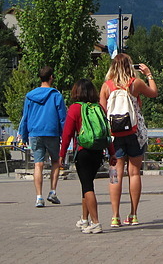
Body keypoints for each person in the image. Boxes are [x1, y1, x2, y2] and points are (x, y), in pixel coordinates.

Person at [99, 53, 158, 228]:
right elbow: (154, 93)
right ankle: (133, 214)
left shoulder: (106, 87)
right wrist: (148, 74)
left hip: (114, 136)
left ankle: (115, 216)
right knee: (134, 173)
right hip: (134, 133)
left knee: (115, 175)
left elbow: (103, 112)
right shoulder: (135, 84)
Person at [59, 78, 108, 234]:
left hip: (83, 151)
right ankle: (84, 219)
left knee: (88, 187)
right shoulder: (99, 108)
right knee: (86, 184)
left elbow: (67, 134)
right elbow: (107, 131)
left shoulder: (74, 109)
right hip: (98, 151)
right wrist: (112, 153)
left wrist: (61, 154)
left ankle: (96, 222)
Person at [18, 66, 67, 208]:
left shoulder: (30, 96)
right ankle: (52, 191)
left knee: (38, 164)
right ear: (51, 77)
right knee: (55, 161)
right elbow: (62, 117)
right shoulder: (56, 95)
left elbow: (25, 117)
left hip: (35, 132)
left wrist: (24, 134)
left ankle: (39, 197)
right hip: (52, 132)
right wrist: (66, 135)